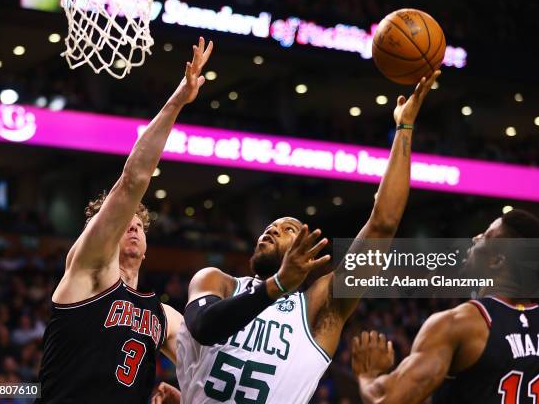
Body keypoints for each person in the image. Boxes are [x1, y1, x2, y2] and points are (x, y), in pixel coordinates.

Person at [173, 71, 441, 403]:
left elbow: (383, 224)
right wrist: (277, 285)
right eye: (270, 226)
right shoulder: (218, 281)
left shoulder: (319, 310)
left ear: (309, 252)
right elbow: (203, 326)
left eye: (288, 229)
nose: (272, 229)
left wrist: (404, 128)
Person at [36, 37, 213, 404]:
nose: (132, 226)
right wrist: (179, 99)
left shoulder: (162, 316)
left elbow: (213, 372)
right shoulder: (90, 272)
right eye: (123, 223)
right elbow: (134, 179)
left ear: (147, 248)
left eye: (140, 225)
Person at [351, 209, 539, 404]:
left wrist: (368, 375)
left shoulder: (460, 324)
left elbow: (388, 399)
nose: (474, 238)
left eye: (485, 236)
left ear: (497, 261)